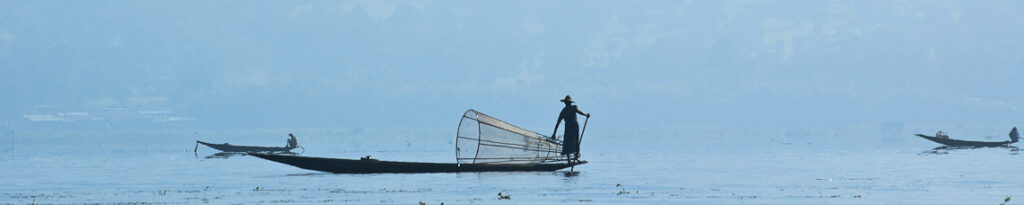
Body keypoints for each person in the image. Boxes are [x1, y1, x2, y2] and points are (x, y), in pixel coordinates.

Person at [551, 95, 590, 161]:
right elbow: (558, 123)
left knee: (575, 141)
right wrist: (554, 134)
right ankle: (570, 159)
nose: (567, 103)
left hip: (573, 126)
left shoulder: (572, 108)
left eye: (567, 102)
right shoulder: (564, 111)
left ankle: (575, 157)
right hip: (570, 126)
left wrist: (585, 115)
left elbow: (579, 112)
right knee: (568, 141)